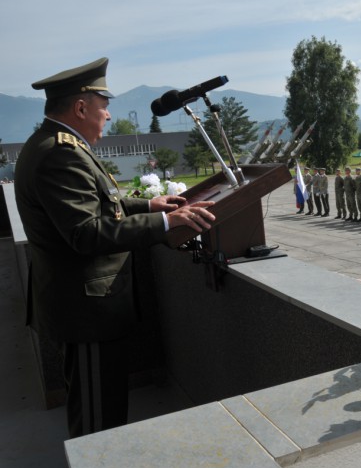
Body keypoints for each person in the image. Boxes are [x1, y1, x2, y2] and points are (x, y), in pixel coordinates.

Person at [14, 58, 215, 438]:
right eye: (104, 105)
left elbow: (99, 204)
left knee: (100, 406)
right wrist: (168, 223)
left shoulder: (55, 144)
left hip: (80, 303)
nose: (108, 115)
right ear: (80, 107)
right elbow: (86, 233)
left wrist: (149, 206)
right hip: (85, 310)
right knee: (96, 419)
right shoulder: (61, 154)